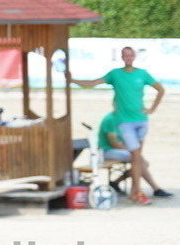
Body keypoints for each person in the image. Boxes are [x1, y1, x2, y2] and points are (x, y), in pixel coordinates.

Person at [68, 46, 166, 205]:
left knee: (137, 158)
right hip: (125, 122)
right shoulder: (115, 74)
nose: (128, 58)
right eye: (126, 55)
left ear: (134, 56)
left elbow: (160, 89)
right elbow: (92, 83)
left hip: (141, 120)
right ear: (122, 57)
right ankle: (138, 192)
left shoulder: (142, 74)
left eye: (130, 55)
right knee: (136, 156)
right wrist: (72, 80)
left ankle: (135, 192)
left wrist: (152, 109)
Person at [97, 111, 172, 198]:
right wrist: (133, 151)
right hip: (107, 151)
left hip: (117, 150)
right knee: (138, 159)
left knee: (142, 162)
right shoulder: (110, 119)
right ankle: (155, 189)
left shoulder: (124, 120)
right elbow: (114, 143)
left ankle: (116, 182)